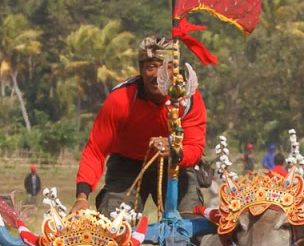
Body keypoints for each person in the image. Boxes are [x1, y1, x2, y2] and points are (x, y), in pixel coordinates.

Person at [73, 35, 207, 216]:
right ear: (141, 70)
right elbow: (95, 150)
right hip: (127, 166)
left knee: (191, 224)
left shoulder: (188, 98)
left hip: (176, 165)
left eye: (164, 66)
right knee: (113, 227)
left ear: (175, 70)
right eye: (151, 67)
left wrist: (174, 149)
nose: (157, 75)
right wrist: (82, 197)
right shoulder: (121, 100)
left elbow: (195, 147)